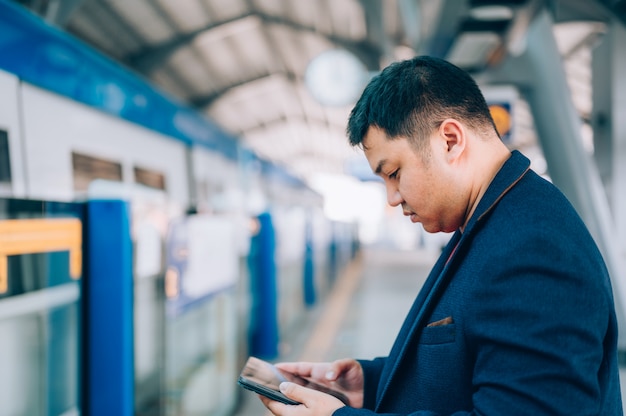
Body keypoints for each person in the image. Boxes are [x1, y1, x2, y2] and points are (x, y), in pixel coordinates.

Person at [259, 55, 623, 415]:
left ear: (449, 140)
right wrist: (368, 384)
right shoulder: (492, 219)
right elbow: (473, 361)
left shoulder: (534, 250)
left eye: (395, 172)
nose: (392, 197)